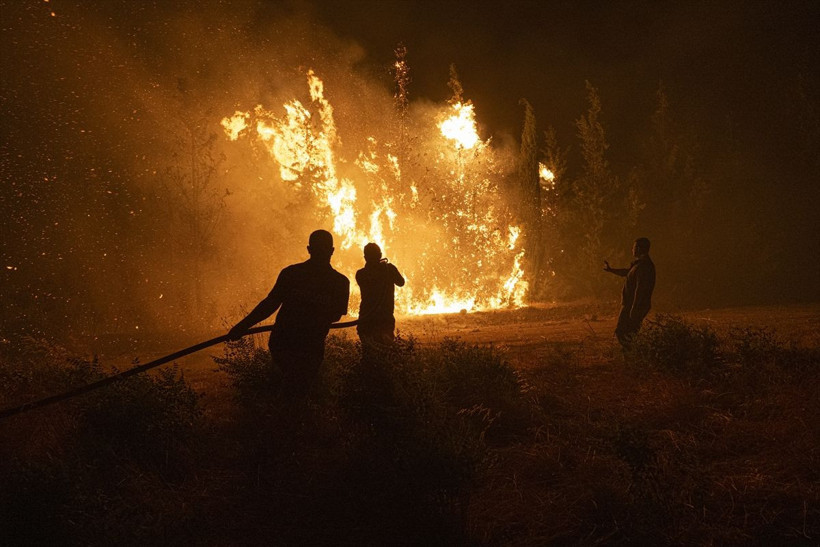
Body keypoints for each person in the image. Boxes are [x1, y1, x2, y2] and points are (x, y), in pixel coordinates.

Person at [227, 230, 349, 397]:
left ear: (309, 249)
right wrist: (242, 327)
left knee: (293, 389)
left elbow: (270, 304)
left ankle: (279, 407)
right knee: (296, 388)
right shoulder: (339, 282)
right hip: (297, 345)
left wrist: (242, 326)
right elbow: (335, 315)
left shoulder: (292, 274)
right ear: (332, 250)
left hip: (297, 344)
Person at [604, 237, 656, 348]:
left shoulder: (644, 266)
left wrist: (634, 308)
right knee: (627, 333)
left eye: (633, 247)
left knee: (625, 333)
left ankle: (633, 353)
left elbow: (640, 289)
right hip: (631, 305)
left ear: (638, 248)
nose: (632, 249)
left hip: (633, 306)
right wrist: (611, 270)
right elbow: (627, 272)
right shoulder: (639, 265)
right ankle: (632, 353)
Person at [355, 242, 405, 347]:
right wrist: (388, 267)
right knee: (386, 350)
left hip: (366, 319)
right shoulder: (389, 270)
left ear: (365, 257)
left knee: (368, 350)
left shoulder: (361, 274)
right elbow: (401, 282)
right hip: (384, 319)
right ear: (380, 255)